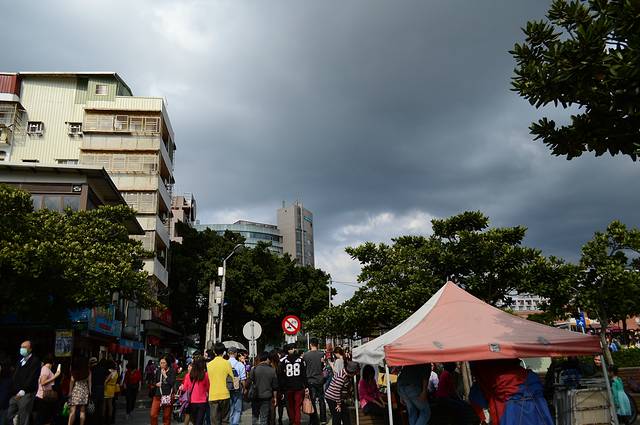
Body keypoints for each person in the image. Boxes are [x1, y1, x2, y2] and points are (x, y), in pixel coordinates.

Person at [8, 340, 40, 425]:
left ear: (30, 349)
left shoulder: (35, 361)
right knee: (10, 413)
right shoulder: (20, 360)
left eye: (25, 347)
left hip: (26, 393)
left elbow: (32, 378)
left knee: (24, 416)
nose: (22, 349)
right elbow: (15, 376)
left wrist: (23, 391)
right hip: (15, 393)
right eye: (21, 347)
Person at [279, 344, 307, 425]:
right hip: (298, 386)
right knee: (297, 406)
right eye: (293, 348)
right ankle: (297, 422)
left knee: (290, 406)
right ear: (289, 350)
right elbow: (304, 375)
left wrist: (282, 388)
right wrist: (306, 386)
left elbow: (281, 376)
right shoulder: (300, 360)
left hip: (288, 387)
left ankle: (292, 421)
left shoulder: (283, 361)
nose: (294, 349)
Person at [207, 343, 233, 425]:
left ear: (214, 352)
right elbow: (232, 378)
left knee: (215, 421)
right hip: (225, 394)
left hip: (213, 395)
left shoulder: (209, 365)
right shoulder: (227, 363)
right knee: (225, 420)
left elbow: (208, 380)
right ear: (224, 352)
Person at [325, 361, 359, 425]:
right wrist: (338, 404)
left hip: (339, 398)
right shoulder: (341, 377)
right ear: (351, 372)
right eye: (355, 373)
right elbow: (336, 391)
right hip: (333, 398)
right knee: (337, 417)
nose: (355, 374)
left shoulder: (345, 374)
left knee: (345, 415)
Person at [249, 352, 278, 425]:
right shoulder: (272, 370)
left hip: (255, 396)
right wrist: (275, 397)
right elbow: (275, 386)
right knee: (264, 418)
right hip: (266, 397)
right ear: (267, 359)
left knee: (255, 417)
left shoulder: (254, 369)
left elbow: (249, 381)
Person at [303, 339, 327, 425]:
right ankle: (323, 419)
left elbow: (304, 367)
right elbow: (324, 366)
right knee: (321, 399)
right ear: (318, 345)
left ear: (310, 345)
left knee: (312, 401)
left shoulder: (306, 355)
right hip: (320, 379)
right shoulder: (322, 354)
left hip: (310, 380)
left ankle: (314, 419)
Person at [180, 357, 210, 425]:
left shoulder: (188, 375)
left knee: (194, 421)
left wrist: (181, 387)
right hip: (203, 402)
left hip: (192, 402)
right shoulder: (205, 375)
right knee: (199, 422)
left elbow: (185, 388)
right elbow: (208, 388)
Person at [36, 354, 61, 425]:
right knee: (43, 419)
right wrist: (55, 376)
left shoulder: (45, 369)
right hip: (43, 397)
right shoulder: (45, 369)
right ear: (53, 362)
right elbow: (43, 382)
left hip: (45, 397)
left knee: (45, 418)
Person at [150, 356, 176, 425]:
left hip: (168, 396)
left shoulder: (172, 371)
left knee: (166, 416)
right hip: (158, 395)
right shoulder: (158, 371)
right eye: (161, 363)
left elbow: (172, 383)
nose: (162, 364)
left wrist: (165, 375)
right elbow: (153, 381)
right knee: (153, 414)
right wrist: (156, 384)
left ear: (167, 363)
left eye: (164, 363)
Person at [68, 357, 91, 425]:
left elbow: (72, 382)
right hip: (84, 391)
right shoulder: (88, 371)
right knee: (82, 411)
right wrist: (90, 391)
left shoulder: (75, 371)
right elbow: (90, 382)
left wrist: (70, 392)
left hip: (76, 390)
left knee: (73, 411)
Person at [227, 347, 246, 425]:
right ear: (236, 354)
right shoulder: (240, 364)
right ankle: (234, 423)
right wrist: (244, 388)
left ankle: (230, 422)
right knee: (237, 409)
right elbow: (243, 379)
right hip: (237, 388)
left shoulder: (225, 363)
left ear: (228, 354)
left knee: (230, 408)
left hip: (227, 388)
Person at [89, 358, 107, 425]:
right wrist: (105, 382)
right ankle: (100, 421)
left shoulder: (91, 369)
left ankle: (93, 421)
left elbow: (90, 381)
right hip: (101, 388)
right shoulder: (102, 368)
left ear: (91, 363)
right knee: (100, 405)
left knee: (93, 405)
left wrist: (90, 390)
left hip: (94, 388)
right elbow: (110, 374)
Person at [102, 360, 118, 425]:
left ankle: (103, 419)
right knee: (110, 404)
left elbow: (106, 381)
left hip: (107, 388)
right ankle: (110, 419)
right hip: (112, 389)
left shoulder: (110, 372)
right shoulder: (116, 372)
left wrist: (103, 385)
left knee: (104, 404)